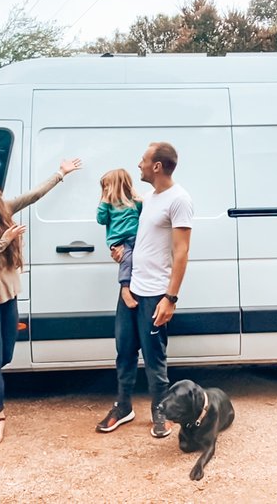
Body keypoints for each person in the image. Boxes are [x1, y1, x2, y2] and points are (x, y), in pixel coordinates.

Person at [0, 158, 82, 445]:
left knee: (4, 356)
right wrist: (3, 242)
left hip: (9, 294)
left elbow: (33, 195)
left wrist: (60, 173)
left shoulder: (0, 210)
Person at [96, 142, 193, 438]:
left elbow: (181, 252)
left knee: (154, 358)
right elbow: (135, 240)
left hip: (155, 294)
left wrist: (170, 298)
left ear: (157, 166)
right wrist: (120, 256)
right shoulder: (148, 198)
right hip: (131, 290)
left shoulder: (179, 200)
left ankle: (160, 411)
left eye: (143, 160)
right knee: (124, 352)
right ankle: (123, 406)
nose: (138, 164)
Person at [97, 169, 143, 309]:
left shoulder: (135, 203)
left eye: (107, 186)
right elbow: (101, 219)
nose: (104, 189)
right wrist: (104, 200)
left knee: (141, 261)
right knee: (127, 260)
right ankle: (125, 288)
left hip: (136, 239)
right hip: (120, 242)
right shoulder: (108, 205)